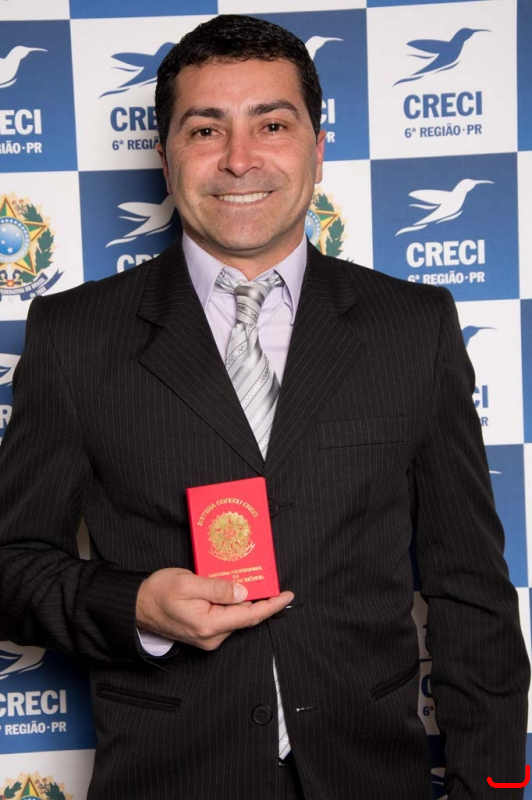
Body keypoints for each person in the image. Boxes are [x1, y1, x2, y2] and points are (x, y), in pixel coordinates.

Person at [0, 14, 528, 800]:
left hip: (370, 778)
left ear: (317, 148)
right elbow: (11, 563)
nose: (239, 158)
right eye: (205, 129)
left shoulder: (413, 327)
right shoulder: (75, 336)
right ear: (166, 154)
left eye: (272, 125)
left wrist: (493, 790)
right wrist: (135, 607)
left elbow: (472, 590)